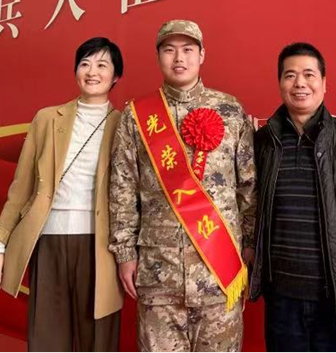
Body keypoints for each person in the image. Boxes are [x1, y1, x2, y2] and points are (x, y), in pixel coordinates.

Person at [109, 20, 256, 353]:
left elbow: (248, 187)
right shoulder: (137, 116)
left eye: (188, 49)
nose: (179, 58)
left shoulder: (230, 110)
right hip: (159, 273)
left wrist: (249, 245)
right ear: (158, 56)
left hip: (219, 272)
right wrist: (125, 253)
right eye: (169, 50)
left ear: (202, 55)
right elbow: (123, 187)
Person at [250, 42, 336, 353]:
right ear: (280, 83)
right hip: (282, 304)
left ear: (324, 83)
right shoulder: (261, 144)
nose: (299, 83)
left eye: (309, 74)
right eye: (290, 75)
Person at [0, 37, 124, 353]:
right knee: (47, 337)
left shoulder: (125, 125)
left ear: (115, 76)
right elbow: (21, 187)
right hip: (48, 240)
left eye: (102, 65)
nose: (92, 72)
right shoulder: (47, 119)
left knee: (98, 339)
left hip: (101, 246)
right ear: (76, 71)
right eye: (85, 64)